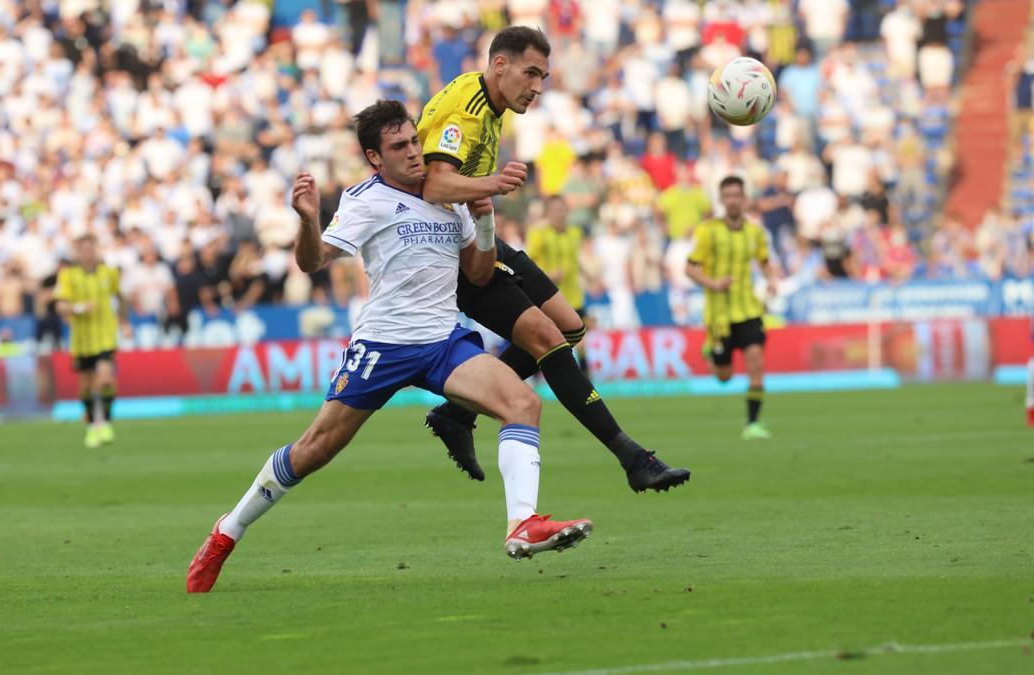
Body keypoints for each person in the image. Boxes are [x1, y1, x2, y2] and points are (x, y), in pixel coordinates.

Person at [186, 101, 593, 593]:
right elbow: (312, 263)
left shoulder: (449, 196)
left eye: (415, 142)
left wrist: (484, 221)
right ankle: (227, 532)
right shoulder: (365, 200)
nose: (415, 154)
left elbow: (480, 274)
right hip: (384, 344)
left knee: (523, 403)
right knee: (315, 450)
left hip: (444, 340)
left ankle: (521, 525)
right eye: (400, 147)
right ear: (375, 157)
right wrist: (308, 220)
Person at [416, 26, 690, 492]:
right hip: (446, 251)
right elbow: (435, 184)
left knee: (569, 325)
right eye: (531, 73)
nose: (538, 87)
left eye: (543, 76)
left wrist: (486, 195)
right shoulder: (468, 109)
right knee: (549, 338)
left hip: (475, 234)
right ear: (500, 64)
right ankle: (633, 459)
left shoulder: (491, 102)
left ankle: (457, 413)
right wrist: (492, 184)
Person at [685, 176, 780, 440]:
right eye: (728, 196)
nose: (733, 200)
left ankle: (752, 424)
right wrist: (713, 283)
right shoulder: (708, 231)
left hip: (749, 309)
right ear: (721, 200)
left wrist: (771, 279)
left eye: (737, 195)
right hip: (719, 317)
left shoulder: (754, 232)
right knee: (724, 377)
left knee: (756, 363)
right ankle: (710, 353)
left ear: (745, 199)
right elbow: (690, 267)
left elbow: (764, 260)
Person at [54, 234, 130, 448]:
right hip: (82, 339)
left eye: (91, 249)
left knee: (105, 378)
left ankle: (104, 422)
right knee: (86, 387)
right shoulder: (68, 276)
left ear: (96, 249)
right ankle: (91, 426)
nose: (87, 253)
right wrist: (79, 308)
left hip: (105, 335)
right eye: (83, 249)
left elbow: (120, 296)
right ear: (78, 252)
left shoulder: (109, 273)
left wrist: (124, 322)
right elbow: (60, 305)